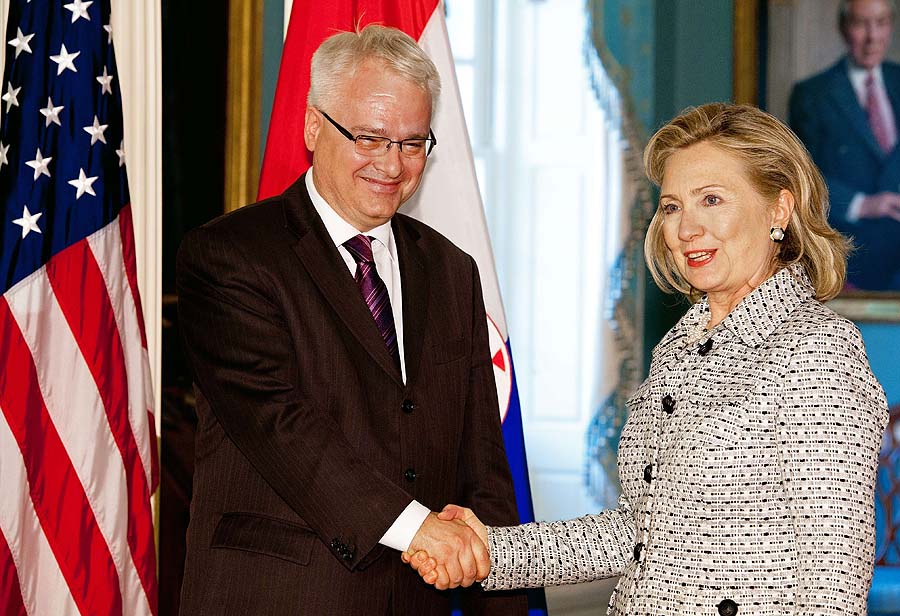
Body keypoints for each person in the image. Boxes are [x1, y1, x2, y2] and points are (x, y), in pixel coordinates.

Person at [405, 103, 889, 615]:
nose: (685, 229)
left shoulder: (817, 351)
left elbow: (834, 579)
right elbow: (638, 531)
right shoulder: (680, 348)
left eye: (712, 199)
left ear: (779, 209)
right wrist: (490, 551)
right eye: (673, 206)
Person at [176, 25, 525, 615]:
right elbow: (279, 423)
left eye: (413, 143)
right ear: (314, 126)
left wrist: (507, 596)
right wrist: (417, 529)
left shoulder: (452, 271)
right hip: (280, 598)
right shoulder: (230, 255)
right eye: (370, 137)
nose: (392, 164)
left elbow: (482, 467)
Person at [788, 0, 900, 290]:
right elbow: (802, 178)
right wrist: (862, 204)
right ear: (843, 27)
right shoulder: (812, 95)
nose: (872, 36)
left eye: (881, 23)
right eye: (861, 23)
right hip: (850, 259)